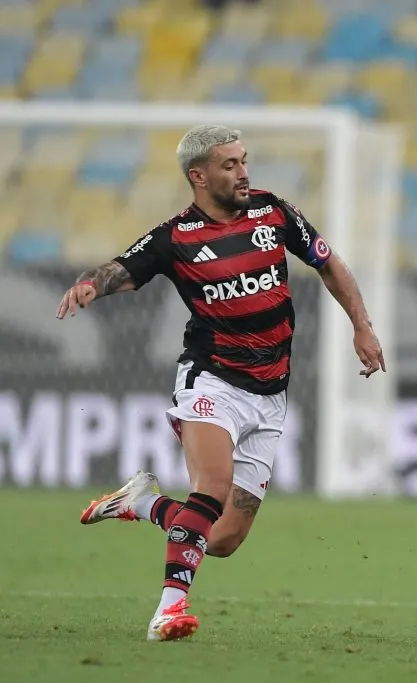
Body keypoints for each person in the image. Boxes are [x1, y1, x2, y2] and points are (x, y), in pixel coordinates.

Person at [57, 125, 385, 642]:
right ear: (199, 176)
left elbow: (329, 263)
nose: (243, 172)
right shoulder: (176, 237)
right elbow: (123, 267)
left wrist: (362, 327)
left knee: (226, 537)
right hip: (211, 380)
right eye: (230, 165)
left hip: (271, 393)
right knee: (208, 488)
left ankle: (141, 504)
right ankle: (169, 609)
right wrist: (90, 286)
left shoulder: (272, 212)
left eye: (245, 161)